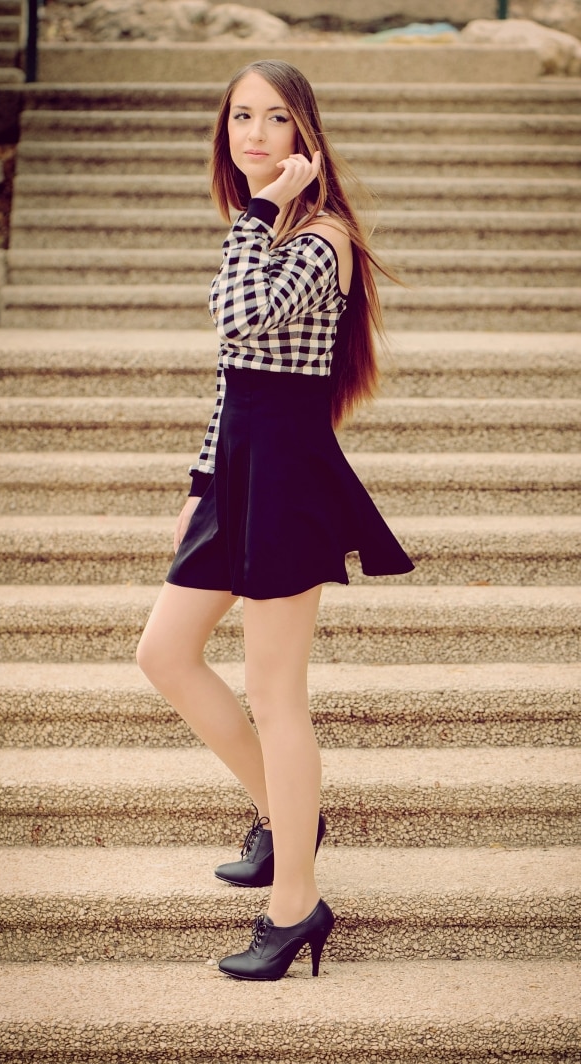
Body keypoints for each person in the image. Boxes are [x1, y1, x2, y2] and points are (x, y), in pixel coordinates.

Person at [136, 58, 414, 981]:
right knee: (164, 653)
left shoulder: (318, 238)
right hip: (239, 469)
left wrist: (260, 210)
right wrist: (201, 476)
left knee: (274, 692)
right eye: (239, 117)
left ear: (305, 135)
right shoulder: (266, 227)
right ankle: (287, 815)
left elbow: (234, 317)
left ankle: (294, 905)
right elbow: (233, 375)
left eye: (274, 119)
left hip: (288, 477)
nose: (252, 134)